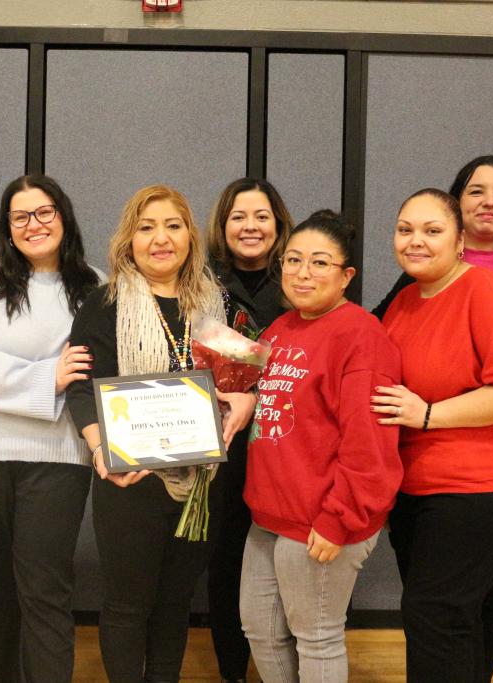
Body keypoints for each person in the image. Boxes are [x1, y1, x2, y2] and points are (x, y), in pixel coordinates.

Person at [372, 156, 493, 679]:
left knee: (434, 614)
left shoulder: (487, 293)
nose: (415, 240)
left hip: (480, 489)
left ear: (458, 239)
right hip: (419, 488)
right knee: (456, 619)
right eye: (405, 229)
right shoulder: (405, 300)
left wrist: (429, 413)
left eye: (432, 230)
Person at [66, 185, 256, 683]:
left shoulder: (216, 307)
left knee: (175, 605)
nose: (160, 238)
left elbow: (246, 379)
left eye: (172, 226)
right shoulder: (104, 302)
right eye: (146, 227)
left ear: (190, 237)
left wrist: (246, 397)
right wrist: (98, 446)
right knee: (129, 604)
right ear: (129, 239)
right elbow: (81, 387)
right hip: (131, 477)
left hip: (202, 482)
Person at [0, 174, 101, 683]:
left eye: (44, 212)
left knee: (46, 592)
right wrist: (44, 377)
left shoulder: (95, 286)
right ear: (7, 228)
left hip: (59, 457)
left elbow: (99, 374)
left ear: (64, 216)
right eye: (20, 216)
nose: (34, 225)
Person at [239, 210, 402, 683]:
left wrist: (338, 518)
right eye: (293, 260)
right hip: (269, 516)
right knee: (261, 630)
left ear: (346, 274)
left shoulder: (361, 336)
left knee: (317, 637)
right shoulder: (280, 329)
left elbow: (368, 443)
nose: (302, 273)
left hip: (321, 520)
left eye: (319, 262)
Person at [204, 177, 293, 683]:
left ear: (278, 225)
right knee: (226, 561)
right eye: (239, 217)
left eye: (262, 216)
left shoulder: (301, 279)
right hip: (229, 444)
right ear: (223, 225)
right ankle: (232, 671)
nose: (250, 226)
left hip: (289, 443)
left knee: (285, 562)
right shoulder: (202, 285)